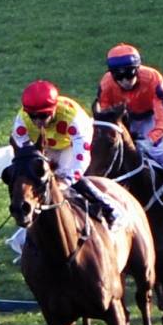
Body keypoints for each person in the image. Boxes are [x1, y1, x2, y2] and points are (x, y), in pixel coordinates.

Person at [95, 44, 163, 198]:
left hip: (154, 112)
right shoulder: (106, 84)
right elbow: (105, 113)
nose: (125, 81)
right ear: (111, 74)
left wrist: (151, 139)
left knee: (154, 151)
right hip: (124, 115)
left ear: (137, 69)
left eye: (130, 74)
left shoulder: (152, 78)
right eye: (119, 77)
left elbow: (161, 116)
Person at [12, 79, 120, 225]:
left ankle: (107, 207)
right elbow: (25, 154)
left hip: (70, 144)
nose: (38, 121)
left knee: (64, 175)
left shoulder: (74, 118)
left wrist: (66, 180)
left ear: (54, 109)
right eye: (33, 117)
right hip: (44, 145)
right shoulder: (22, 121)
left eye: (44, 116)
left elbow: (81, 158)